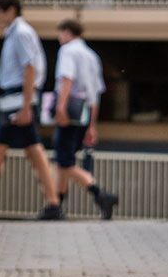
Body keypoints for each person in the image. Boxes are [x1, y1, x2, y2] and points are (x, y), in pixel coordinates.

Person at [0, 0, 62, 219]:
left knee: (14, 149)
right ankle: (53, 203)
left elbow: (30, 68)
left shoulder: (21, 33)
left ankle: (54, 203)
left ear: (10, 10)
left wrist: (26, 106)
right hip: (14, 100)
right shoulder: (13, 33)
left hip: (18, 101)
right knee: (34, 151)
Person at [50, 19, 118, 219]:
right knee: (64, 160)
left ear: (67, 32)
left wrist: (60, 107)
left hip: (70, 112)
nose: (59, 38)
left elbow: (67, 78)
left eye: (60, 33)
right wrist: (92, 126)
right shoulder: (91, 56)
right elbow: (95, 94)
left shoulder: (68, 51)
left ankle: (100, 193)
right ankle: (56, 206)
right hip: (85, 114)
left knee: (64, 160)